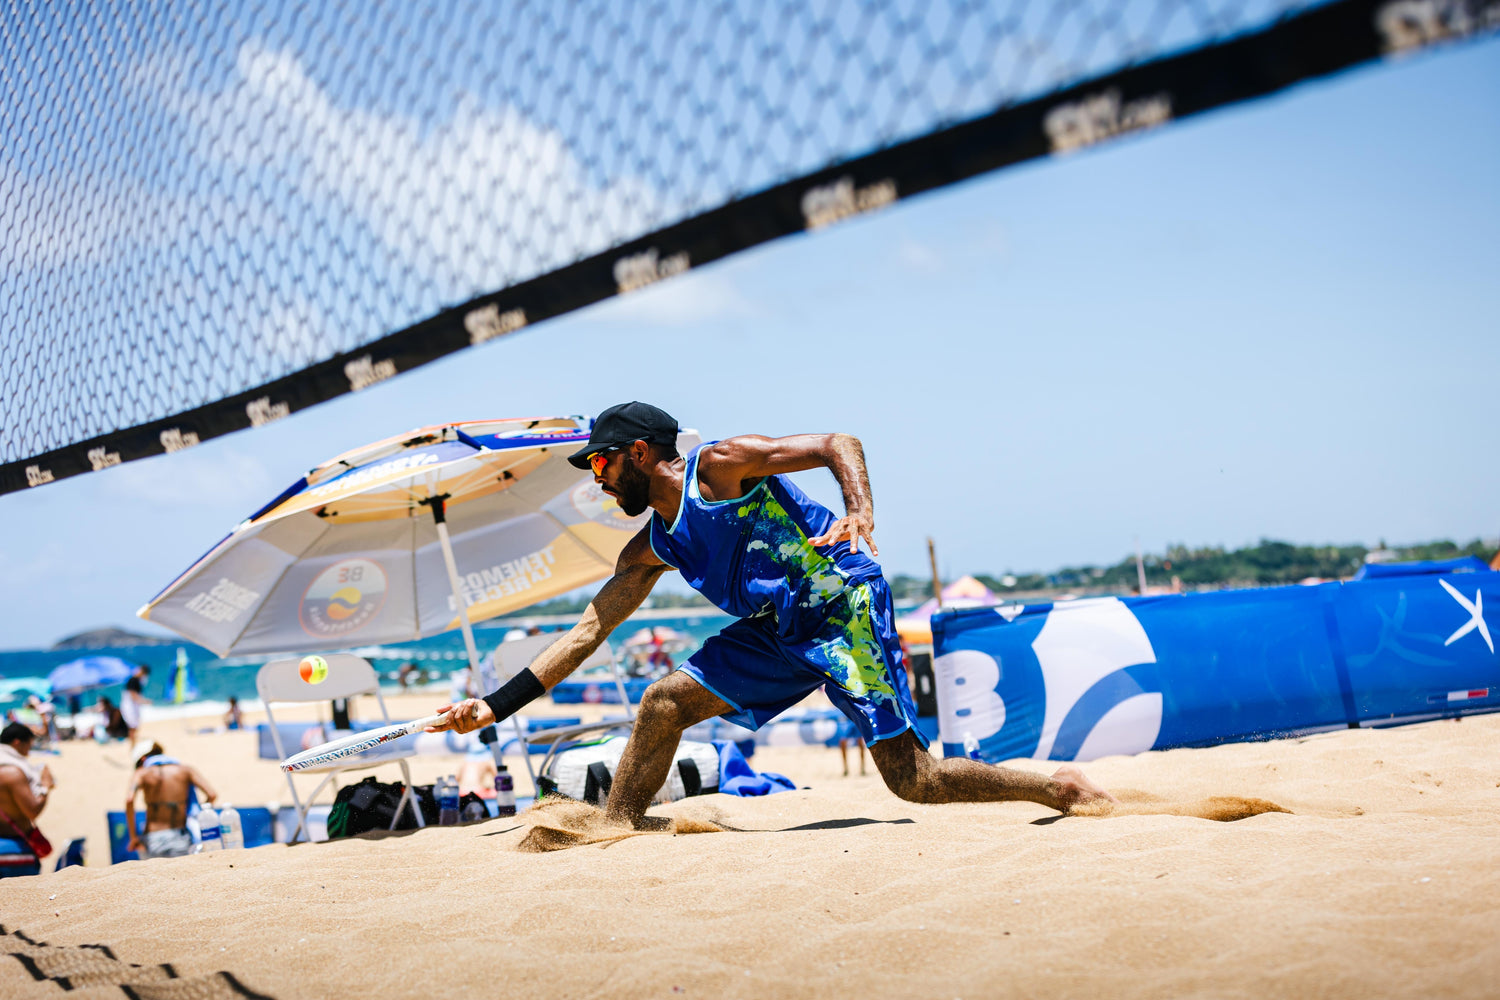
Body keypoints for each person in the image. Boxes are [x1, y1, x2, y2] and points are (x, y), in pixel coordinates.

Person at [432, 401, 1113, 830]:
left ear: (639, 453)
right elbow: (587, 632)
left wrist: (859, 510)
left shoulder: (721, 467)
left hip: (841, 607)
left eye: (603, 464)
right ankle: (618, 827)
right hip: (776, 631)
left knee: (915, 782)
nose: (598, 479)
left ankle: (1058, 792)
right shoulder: (652, 548)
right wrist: (494, 705)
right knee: (663, 702)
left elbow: (836, 441)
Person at [125, 739, 218, 860]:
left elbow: (129, 799)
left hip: (152, 839)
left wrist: (133, 837)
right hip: (179, 836)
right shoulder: (186, 770)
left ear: (143, 759)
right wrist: (194, 814)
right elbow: (212, 794)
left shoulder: (141, 773)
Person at [0, 722, 53, 877]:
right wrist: (45, 787)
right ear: (17, 743)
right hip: (13, 847)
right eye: (28, 746)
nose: (28, 752)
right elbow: (32, 810)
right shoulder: (12, 772)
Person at [121, 664, 150, 743]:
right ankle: (132, 743)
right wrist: (144, 701)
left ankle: (133, 742)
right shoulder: (133, 680)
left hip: (133, 706)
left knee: (134, 726)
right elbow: (133, 695)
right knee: (132, 726)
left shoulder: (136, 680)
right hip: (130, 706)